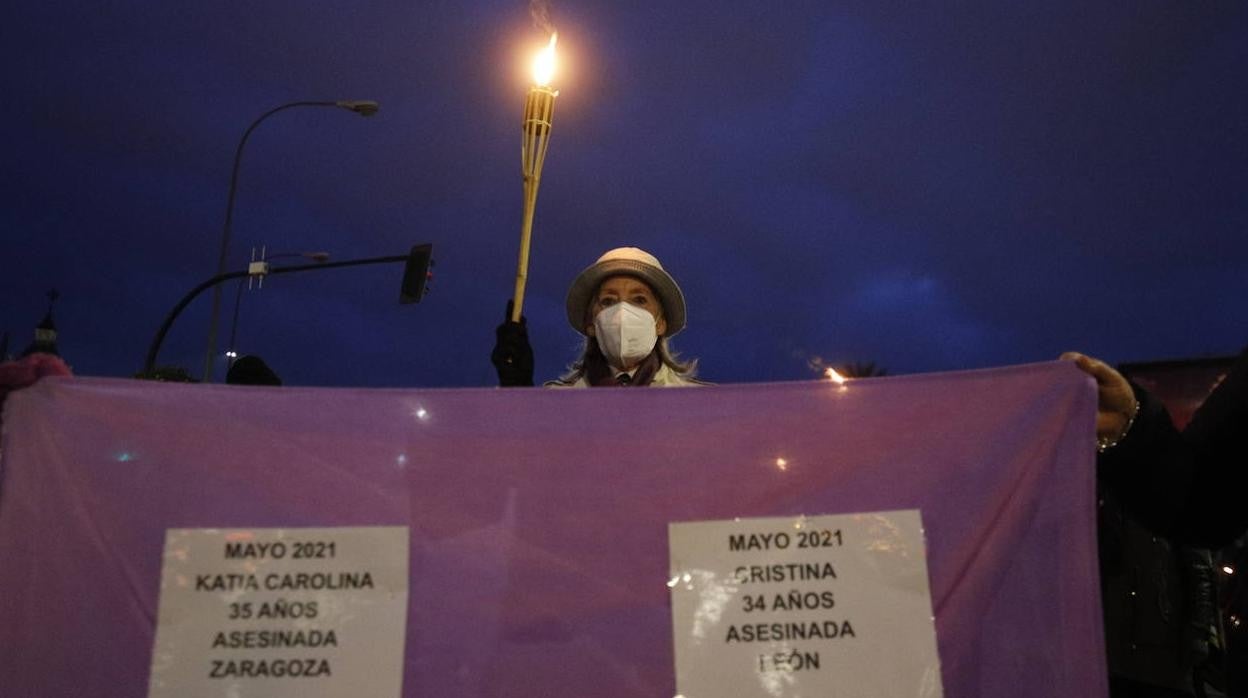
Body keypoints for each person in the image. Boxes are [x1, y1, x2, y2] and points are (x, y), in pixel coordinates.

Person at [1066, 350, 1248, 698]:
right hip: (1128, 655)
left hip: (1162, 655)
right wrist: (1132, 431)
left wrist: (1197, 635)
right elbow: (1203, 498)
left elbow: (1198, 566)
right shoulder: (1099, 502)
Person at [493, 247, 704, 388]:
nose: (622, 312)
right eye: (608, 301)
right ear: (590, 323)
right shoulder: (557, 405)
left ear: (661, 323)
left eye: (639, 300)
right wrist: (517, 394)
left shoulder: (699, 404)